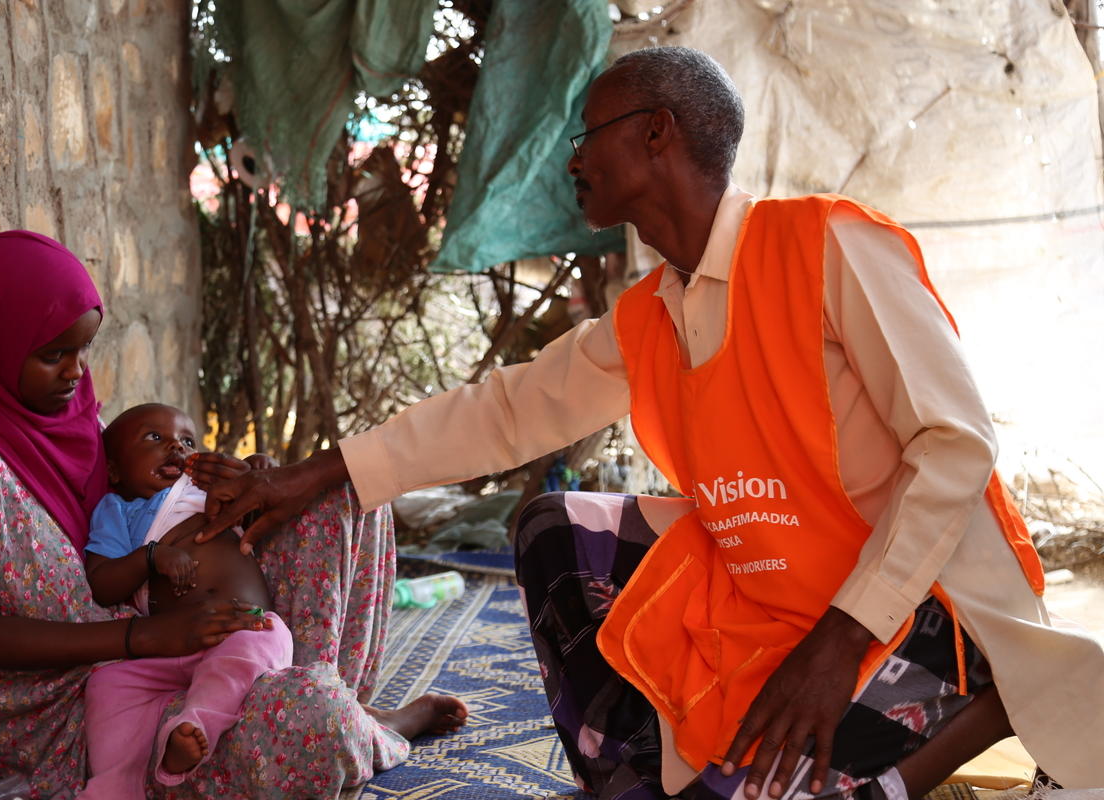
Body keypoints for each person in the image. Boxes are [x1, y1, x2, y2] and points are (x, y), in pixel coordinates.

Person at [194, 45, 1104, 799]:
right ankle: (638, 782)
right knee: (553, 529)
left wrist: (841, 638)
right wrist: (313, 476)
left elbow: (956, 445)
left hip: (913, 607)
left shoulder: (828, 246)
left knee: (784, 770)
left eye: (587, 135)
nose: (571, 160)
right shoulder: (652, 313)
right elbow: (509, 410)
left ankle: (972, 705)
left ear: (659, 132)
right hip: (778, 600)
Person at [0, 230, 466, 800]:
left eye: (82, 351)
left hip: (181, 640)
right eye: (53, 355)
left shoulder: (73, 424)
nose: (76, 374)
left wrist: (245, 485)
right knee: (314, 725)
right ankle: (355, 721)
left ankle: (317, 695)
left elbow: (141, 505)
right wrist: (142, 637)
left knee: (342, 489)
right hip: (89, 712)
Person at [80, 402, 291, 797]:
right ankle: (112, 785)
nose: (176, 448)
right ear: (114, 471)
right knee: (107, 683)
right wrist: (150, 557)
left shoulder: (209, 491)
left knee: (267, 636)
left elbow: (264, 505)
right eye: (155, 438)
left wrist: (261, 470)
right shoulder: (116, 509)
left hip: (239, 627)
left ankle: (194, 728)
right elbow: (102, 584)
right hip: (165, 647)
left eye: (187, 441)